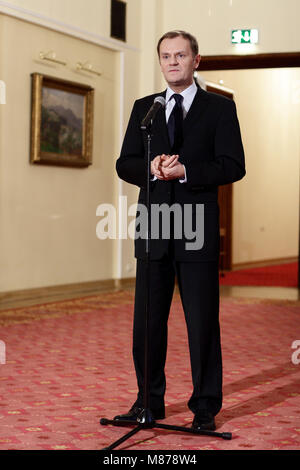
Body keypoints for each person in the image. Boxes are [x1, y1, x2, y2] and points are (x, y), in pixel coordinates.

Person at [115, 30, 245, 431]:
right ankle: (147, 403)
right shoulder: (144, 109)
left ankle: (205, 408)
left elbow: (233, 165)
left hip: (197, 231)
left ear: (196, 60)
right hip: (154, 227)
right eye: (166, 56)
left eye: (180, 55)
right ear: (160, 62)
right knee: (148, 323)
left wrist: (186, 171)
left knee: (201, 321)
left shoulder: (220, 109)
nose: (172, 62)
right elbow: (125, 163)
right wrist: (151, 168)